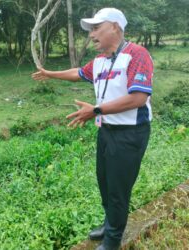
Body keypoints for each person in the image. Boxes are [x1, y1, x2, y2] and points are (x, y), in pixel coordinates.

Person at [32, 7, 153, 250]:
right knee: (105, 182)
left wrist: (95, 110)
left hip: (130, 133)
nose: (92, 34)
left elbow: (138, 98)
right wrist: (50, 73)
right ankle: (110, 223)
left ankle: (113, 240)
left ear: (115, 27)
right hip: (106, 130)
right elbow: (78, 73)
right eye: (91, 30)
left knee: (119, 188)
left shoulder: (137, 55)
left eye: (97, 28)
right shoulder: (100, 61)